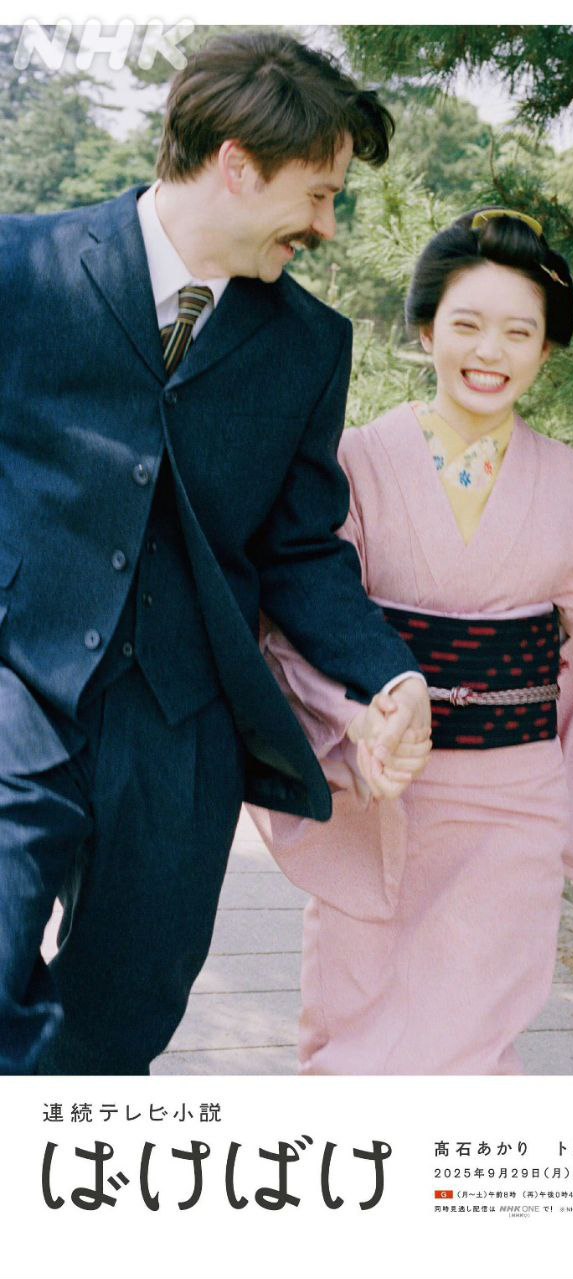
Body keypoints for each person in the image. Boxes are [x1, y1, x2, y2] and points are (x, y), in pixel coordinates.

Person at [0, 30, 431, 1076]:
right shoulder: (17, 268)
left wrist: (390, 672)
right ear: (237, 164)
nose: (326, 226)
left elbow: (300, 546)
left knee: (124, 1017)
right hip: (16, 681)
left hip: (183, 722)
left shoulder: (310, 344)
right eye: (319, 194)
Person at [249, 209, 573, 1075]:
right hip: (384, 784)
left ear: (546, 349)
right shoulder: (358, 461)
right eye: (467, 324)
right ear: (426, 330)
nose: (490, 352)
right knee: (357, 1025)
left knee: (474, 1035)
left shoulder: (564, 479)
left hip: (512, 797)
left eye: (519, 332)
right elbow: (302, 620)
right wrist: (354, 721)